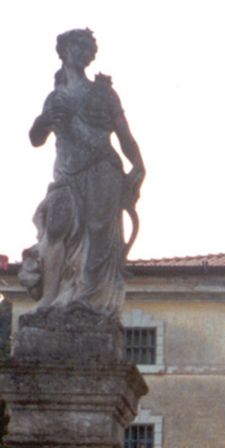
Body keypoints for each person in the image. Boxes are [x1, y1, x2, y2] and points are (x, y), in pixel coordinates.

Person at [21, 28, 144, 317]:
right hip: (66, 174)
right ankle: (50, 298)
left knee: (99, 234)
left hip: (103, 169)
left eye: (87, 48)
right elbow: (36, 138)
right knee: (56, 229)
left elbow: (124, 136)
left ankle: (88, 300)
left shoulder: (104, 93)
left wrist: (139, 164)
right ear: (64, 51)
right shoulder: (55, 98)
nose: (83, 52)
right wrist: (44, 120)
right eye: (77, 46)